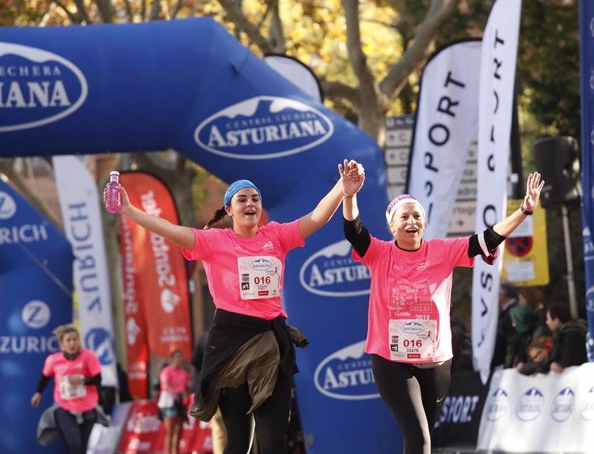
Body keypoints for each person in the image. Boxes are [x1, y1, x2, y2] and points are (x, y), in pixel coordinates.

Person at [106, 160, 363, 454]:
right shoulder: (213, 241)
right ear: (229, 210)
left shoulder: (276, 236)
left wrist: (342, 190)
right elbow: (168, 228)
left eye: (255, 198)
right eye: (242, 199)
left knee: (272, 443)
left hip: (272, 342)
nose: (250, 203)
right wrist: (129, 209)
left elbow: (316, 218)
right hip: (231, 343)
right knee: (239, 443)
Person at [341, 169, 544, 454]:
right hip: (391, 360)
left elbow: (488, 239)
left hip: (436, 361)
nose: (412, 221)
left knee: (422, 438)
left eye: (417, 216)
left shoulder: (442, 251)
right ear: (392, 226)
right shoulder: (378, 252)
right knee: (418, 436)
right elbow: (353, 229)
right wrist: (349, 196)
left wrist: (524, 210)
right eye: (405, 216)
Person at [31, 324, 104, 454]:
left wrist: (83, 380)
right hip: (64, 406)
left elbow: (98, 380)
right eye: (68, 340)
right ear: (62, 343)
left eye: (75, 339)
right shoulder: (53, 360)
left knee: (82, 447)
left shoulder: (89, 356)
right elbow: (45, 377)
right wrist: (38, 393)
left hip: (88, 406)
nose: (72, 343)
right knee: (73, 444)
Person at [158, 349, 191, 454]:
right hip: (168, 402)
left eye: (181, 357)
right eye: (177, 357)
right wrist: (174, 393)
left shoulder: (184, 373)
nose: (180, 359)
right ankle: (168, 451)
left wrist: (186, 396)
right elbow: (166, 384)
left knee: (179, 429)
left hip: (180, 402)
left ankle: (176, 451)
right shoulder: (166, 371)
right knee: (170, 429)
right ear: (172, 359)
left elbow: (187, 388)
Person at [544, 302, 587, 373]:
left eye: (548, 319)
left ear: (557, 320)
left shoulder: (570, 335)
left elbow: (567, 361)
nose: (547, 322)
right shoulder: (561, 334)